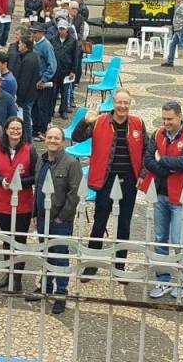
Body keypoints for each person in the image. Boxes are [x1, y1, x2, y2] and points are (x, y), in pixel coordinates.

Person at [72, 89, 147, 277]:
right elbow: (77, 137)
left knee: (124, 225)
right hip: (105, 180)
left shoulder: (138, 123)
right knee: (99, 222)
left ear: (130, 104)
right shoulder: (99, 121)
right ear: (114, 103)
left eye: (126, 103)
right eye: (119, 102)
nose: (122, 106)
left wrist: (142, 174)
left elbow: (146, 149)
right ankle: (92, 263)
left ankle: (120, 266)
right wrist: (85, 121)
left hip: (128, 181)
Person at [142, 101, 183, 299]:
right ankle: (163, 279)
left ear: (179, 117)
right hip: (160, 193)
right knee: (160, 238)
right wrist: (168, 169)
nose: (166, 123)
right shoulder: (157, 134)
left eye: (170, 119)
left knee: (178, 240)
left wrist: (161, 160)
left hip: (180, 196)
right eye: (164, 119)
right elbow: (148, 160)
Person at [26, 126, 82, 314]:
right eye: (49, 137)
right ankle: (46, 287)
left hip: (60, 220)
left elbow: (74, 195)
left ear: (62, 141)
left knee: (60, 257)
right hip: (42, 217)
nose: (52, 141)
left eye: (56, 138)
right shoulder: (41, 161)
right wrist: (34, 213)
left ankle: (61, 293)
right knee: (45, 253)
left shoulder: (71, 163)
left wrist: (61, 217)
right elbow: (37, 189)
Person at [0, 117, 37, 291]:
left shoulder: (30, 150)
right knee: (7, 239)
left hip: (23, 202)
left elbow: (36, 175)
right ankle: (8, 273)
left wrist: (19, 183)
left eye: (18, 128)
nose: (15, 131)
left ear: (22, 131)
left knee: (19, 240)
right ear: (6, 130)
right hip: (3, 202)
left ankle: (17, 278)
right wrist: (2, 181)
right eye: (12, 128)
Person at [31, 25, 58, 142]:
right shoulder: (34, 44)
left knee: (42, 107)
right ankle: (35, 129)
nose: (33, 35)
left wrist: (44, 79)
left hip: (42, 82)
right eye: (32, 32)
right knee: (35, 106)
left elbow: (52, 65)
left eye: (35, 32)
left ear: (42, 33)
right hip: (34, 81)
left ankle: (43, 130)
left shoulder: (46, 46)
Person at [13, 35, 41, 142]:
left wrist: (19, 99)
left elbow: (25, 81)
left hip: (27, 96)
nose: (18, 45)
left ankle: (28, 142)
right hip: (31, 94)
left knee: (26, 120)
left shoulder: (28, 60)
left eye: (20, 43)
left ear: (24, 45)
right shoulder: (33, 56)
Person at [50, 19, 78, 120]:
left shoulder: (73, 41)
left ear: (67, 29)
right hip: (55, 70)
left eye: (63, 29)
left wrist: (73, 70)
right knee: (53, 92)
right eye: (60, 29)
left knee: (65, 92)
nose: (61, 31)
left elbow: (75, 57)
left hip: (66, 70)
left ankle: (63, 110)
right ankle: (51, 110)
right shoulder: (52, 40)